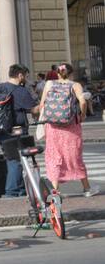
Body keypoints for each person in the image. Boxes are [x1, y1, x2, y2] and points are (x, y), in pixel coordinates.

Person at [38, 63, 96, 197]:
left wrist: (49, 118)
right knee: (74, 156)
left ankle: (55, 191)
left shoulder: (49, 84)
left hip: (52, 127)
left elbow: (42, 104)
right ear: (71, 73)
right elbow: (82, 102)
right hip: (71, 127)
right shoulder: (75, 85)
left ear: (57, 73)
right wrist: (82, 115)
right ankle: (87, 189)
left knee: (54, 157)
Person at [0, 64, 38, 198]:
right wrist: (44, 102)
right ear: (20, 75)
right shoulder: (20, 91)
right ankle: (12, 192)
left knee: (11, 158)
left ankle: (20, 189)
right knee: (16, 159)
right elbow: (34, 109)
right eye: (26, 76)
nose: (26, 79)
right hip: (15, 130)